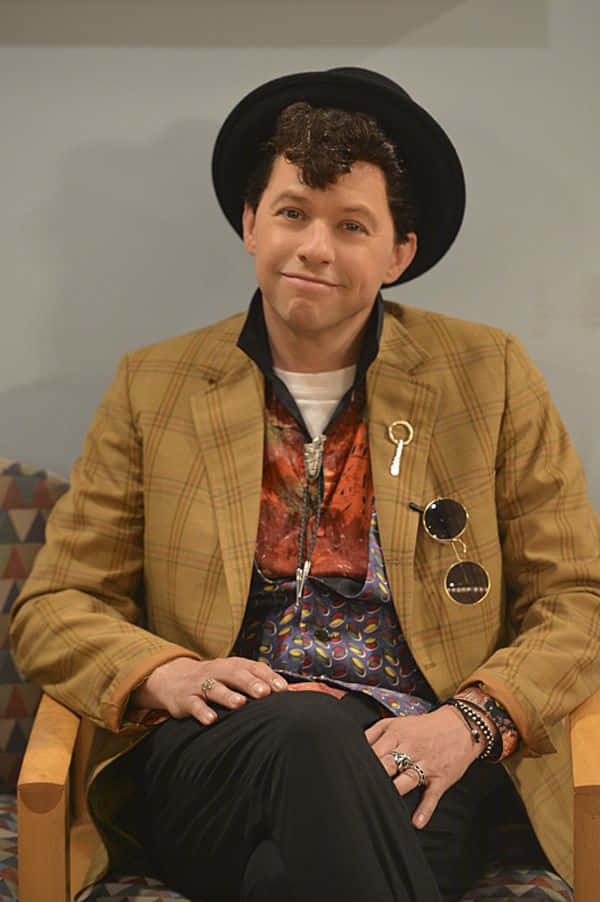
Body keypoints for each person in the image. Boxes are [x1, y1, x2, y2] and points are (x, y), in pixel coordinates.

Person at [9, 67, 600, 901]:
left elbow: (577, 597)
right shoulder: (156, 385)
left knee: (284, 879)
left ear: (399, 253)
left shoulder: (488, 374)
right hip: (216, 755)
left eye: (351, 225)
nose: (315, 248)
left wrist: (469, 724)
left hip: (418, 757)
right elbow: (54, 606)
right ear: (251, 223)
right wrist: (163, 673)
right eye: (292, 213)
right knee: (307, 730)